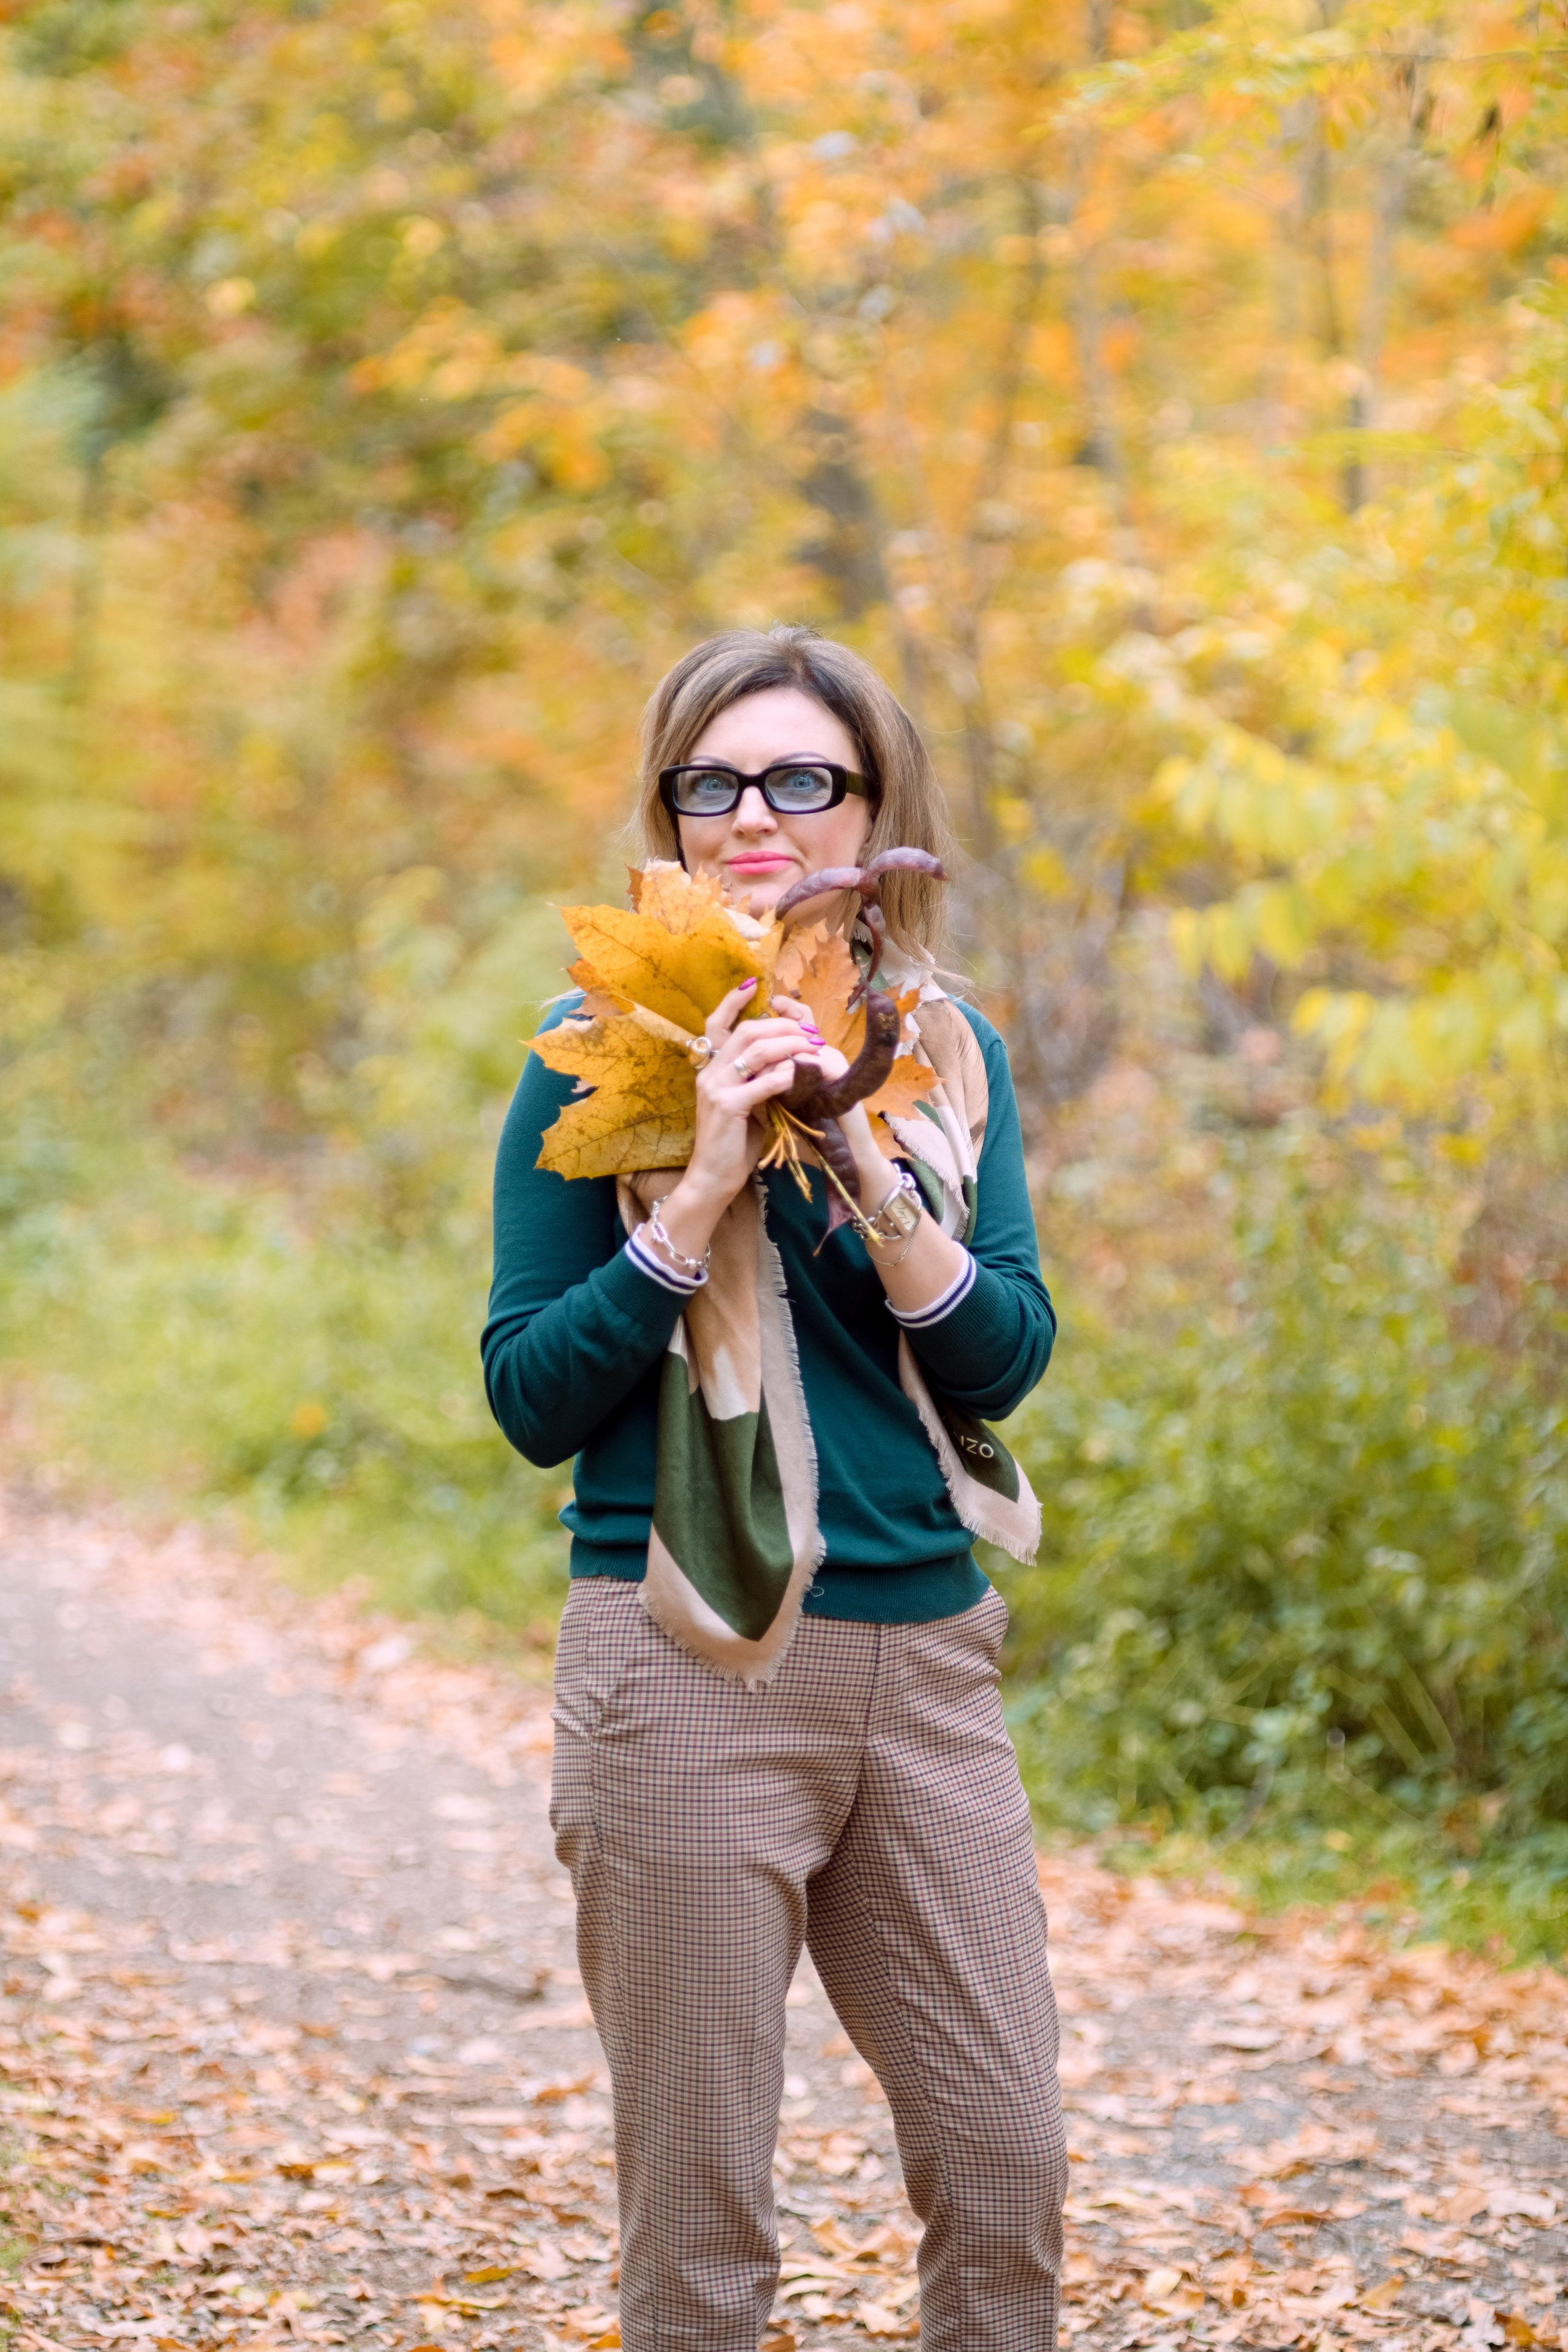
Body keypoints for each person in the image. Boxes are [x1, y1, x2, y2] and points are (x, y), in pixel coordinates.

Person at [483, 624, 1066, 2352]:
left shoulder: (947, 1055)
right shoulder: (591, 1049)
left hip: (929, 1668)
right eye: (712, 781)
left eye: (804, 779)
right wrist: (696, 1191)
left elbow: (1003, 1354)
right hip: (687, 1665)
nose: (757, 814)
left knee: (1005, 2158)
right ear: (666, 810)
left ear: (876, 805)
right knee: (705, 2223)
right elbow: (530, 1393)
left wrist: (866, 1154)